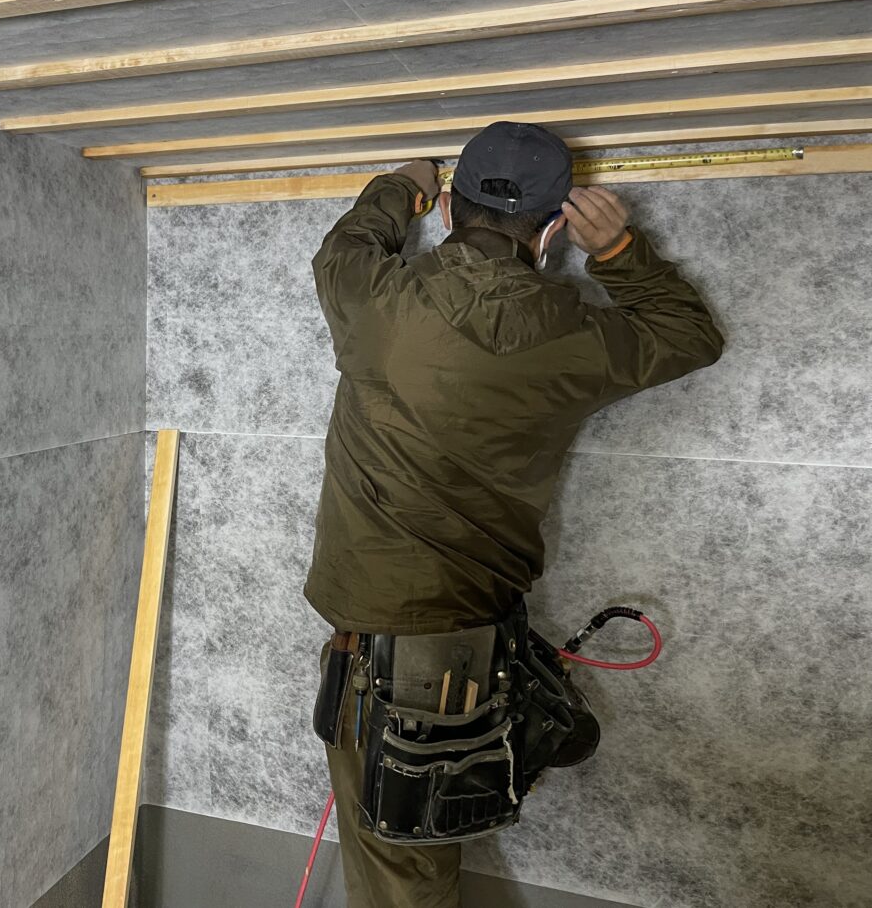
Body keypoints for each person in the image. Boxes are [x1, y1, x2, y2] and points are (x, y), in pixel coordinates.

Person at [306, 122, 724, 907]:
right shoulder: (576, 333)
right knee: (415, 865)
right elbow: (690, 335)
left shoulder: (374, 299)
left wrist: (403, 183)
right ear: (554, 226)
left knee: (404, 884)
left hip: (388, 662)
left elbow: (347, 245)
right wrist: (619, 252)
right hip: (471, 648)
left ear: (450, 208)